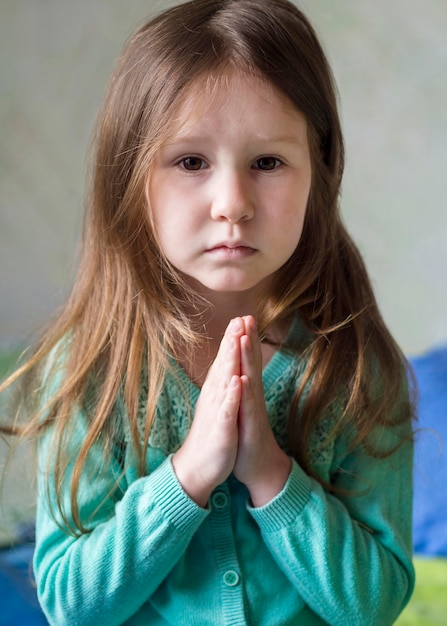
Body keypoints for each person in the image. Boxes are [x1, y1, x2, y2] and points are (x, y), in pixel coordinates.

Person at [0, 1, 415, 624]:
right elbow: (70, 606)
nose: (232, 203)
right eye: (191, 161)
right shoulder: (90, 371)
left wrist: (272, 475)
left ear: (319, 172)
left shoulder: (353, 367)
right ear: (131, 178)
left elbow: (375, 604)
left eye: (268, 162)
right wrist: (189, 474)